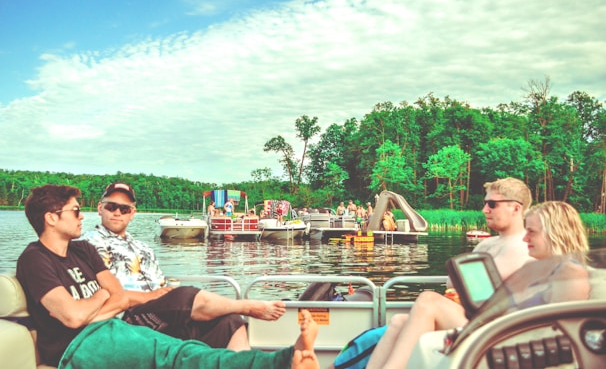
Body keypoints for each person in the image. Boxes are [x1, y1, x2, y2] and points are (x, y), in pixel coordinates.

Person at [16, 184, 321, 368]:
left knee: (196, 345)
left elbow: (118, 295)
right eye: (75, 211)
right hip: (77, 346)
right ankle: (281, 360)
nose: (82, 216)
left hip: (110, 325)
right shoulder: (35, 259)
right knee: (175, 354)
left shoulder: (82, 251)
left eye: (125, 208)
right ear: (51, 218)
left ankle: (281, 360)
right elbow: (71, 318)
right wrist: (102, 297)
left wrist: (97, 307)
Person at [80, 182, 286, 351]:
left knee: (229, 322)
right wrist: (157, 297)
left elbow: (160, 286)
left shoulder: (143, 248)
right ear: (100, 208)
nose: (117, 213)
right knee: (185, 295)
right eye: (111, 207)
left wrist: (165, 294)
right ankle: (247, 307)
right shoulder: (87, 246)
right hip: (127, 317)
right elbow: (98, 293)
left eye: (124, 209)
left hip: (160, 316)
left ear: (132, 213)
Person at [363, 177, 535, 369]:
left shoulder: (523, 247)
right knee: (397, 322)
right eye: (485, 203)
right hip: (476, 318)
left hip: (498, 327)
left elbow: (476, 290)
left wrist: (461, 280)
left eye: (492, 204)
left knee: (428, 300)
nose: (484, 210)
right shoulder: (487, 244)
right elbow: (455, 284)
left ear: (516, 208)